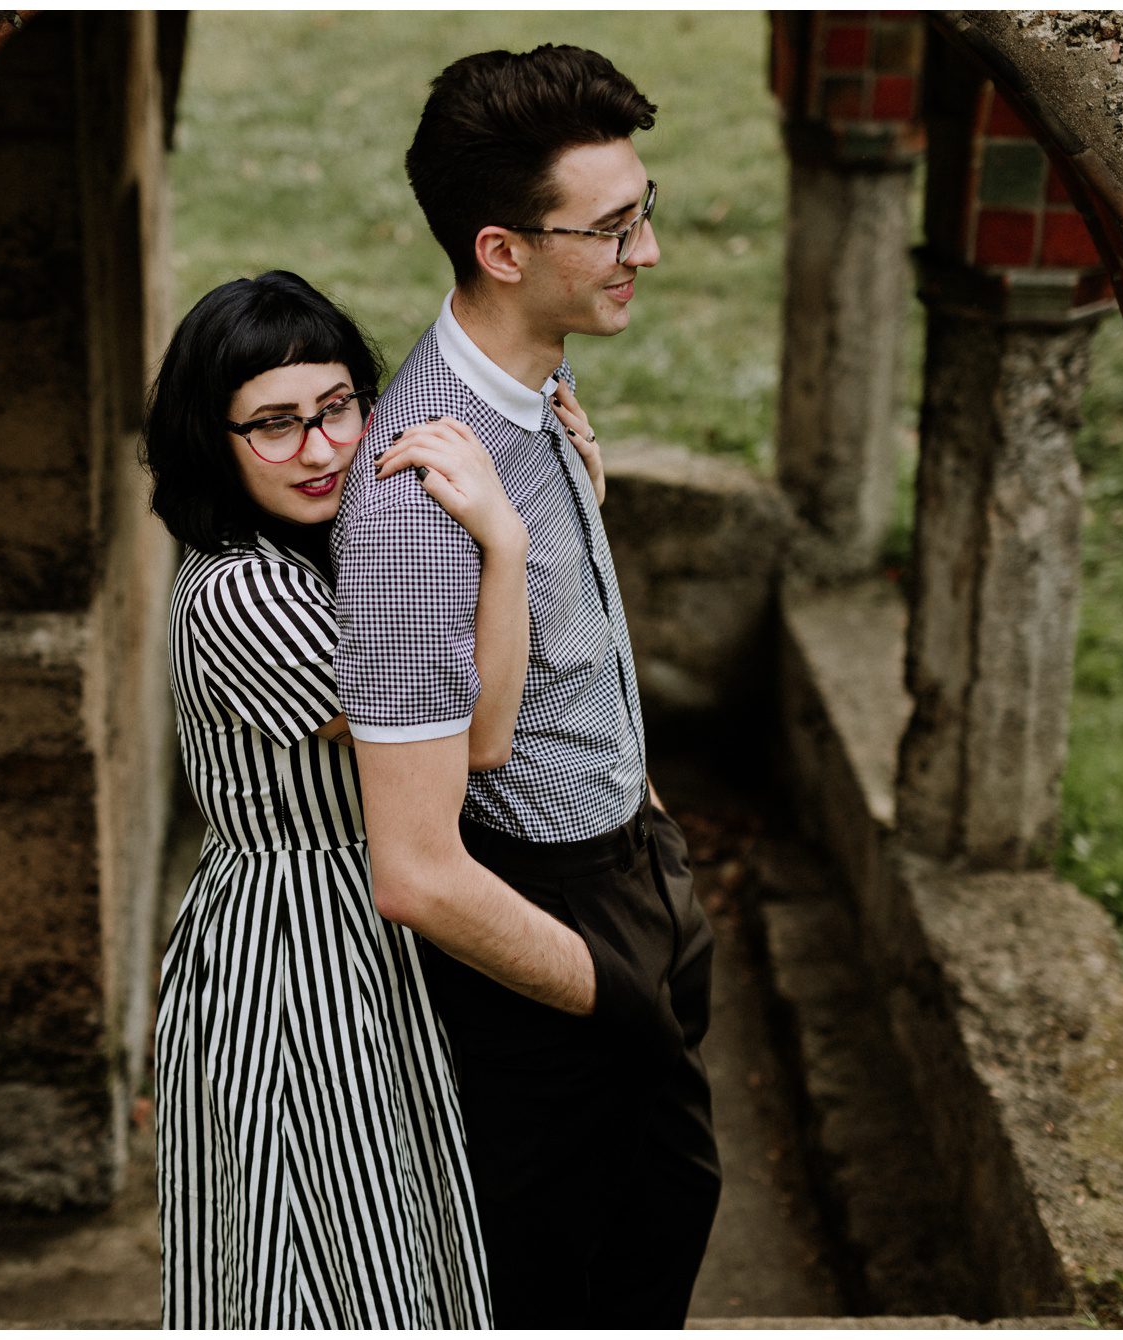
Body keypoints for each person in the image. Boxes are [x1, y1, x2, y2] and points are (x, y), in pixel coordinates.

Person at [331, 45, 721, 1327]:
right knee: (581, 1279)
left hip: (630, 866)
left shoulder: (535, 372)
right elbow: (413, 864)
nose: (643, 253)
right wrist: (609, 989)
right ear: (502, 250)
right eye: (608, 230)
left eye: (641, 210)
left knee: (654, 1232)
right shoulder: (409, 502)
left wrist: (658, 845)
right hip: (545, 932)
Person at [143, 269, 579, 1327]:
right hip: (298, 958)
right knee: (326, 1256)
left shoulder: (326, 550)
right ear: (215, 439)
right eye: (274, 426)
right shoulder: (245, 593)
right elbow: (477, 736)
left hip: (360, 925)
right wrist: (510, 542)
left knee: (392, 1232)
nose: (322, 448)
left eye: (336, 408)